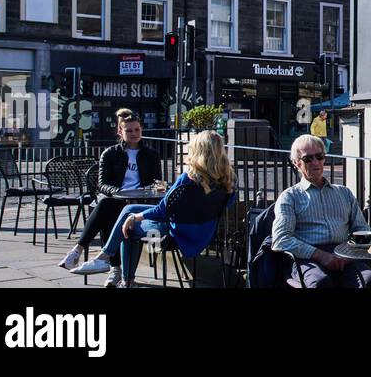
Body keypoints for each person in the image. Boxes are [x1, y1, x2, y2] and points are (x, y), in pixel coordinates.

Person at [71, 130, 236, 287]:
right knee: (129, 210)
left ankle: (121, 275)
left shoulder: (188, 179)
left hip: (176, 234)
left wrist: (136, 218)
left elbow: (162, 211)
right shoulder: (228, 179)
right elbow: (226, 204)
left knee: (128, 226)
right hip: (205, 233)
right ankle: (105, 257)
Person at [56, 109, 162, 286]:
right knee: (108, 205)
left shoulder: (151, 155)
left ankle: (88, 255)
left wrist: (144, 192)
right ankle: (114, 269)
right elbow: (102, 184)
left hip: (140, 202)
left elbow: (157, 182)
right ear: (120, 132)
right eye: (129, 131)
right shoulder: (110, 153)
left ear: (141, 130)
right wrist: (119, 193)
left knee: (108, 208)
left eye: (137, 130)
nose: (134, 134)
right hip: (117, 198)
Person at [271, 134, 371, 288]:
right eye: (308, 159)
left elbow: (361, 229)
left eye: (319, 156)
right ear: (297, 163)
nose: (315, 162)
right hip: (308, 258)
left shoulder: (344, 193)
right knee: (320, 283)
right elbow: (281, 239)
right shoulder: (289, 197)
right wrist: (321, 256)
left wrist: (352, 253)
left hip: (344, 254)